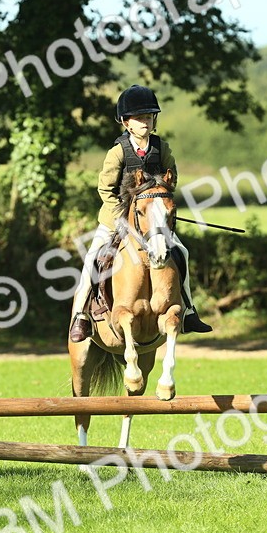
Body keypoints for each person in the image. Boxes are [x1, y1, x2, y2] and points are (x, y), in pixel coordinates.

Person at [68, 84, 213, 343]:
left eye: (148, 117)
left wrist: (158, 205)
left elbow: (172, 179)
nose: (145, 123)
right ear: (126, 122)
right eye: (139, 118)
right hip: (116, 219)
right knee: (93, 258)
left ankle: (189, 310)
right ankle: (82, 316)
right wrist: (121, 219)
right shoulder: (117, 152)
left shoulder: (162, 148)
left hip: (152, 221)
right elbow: (105, 188)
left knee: (183, 253)